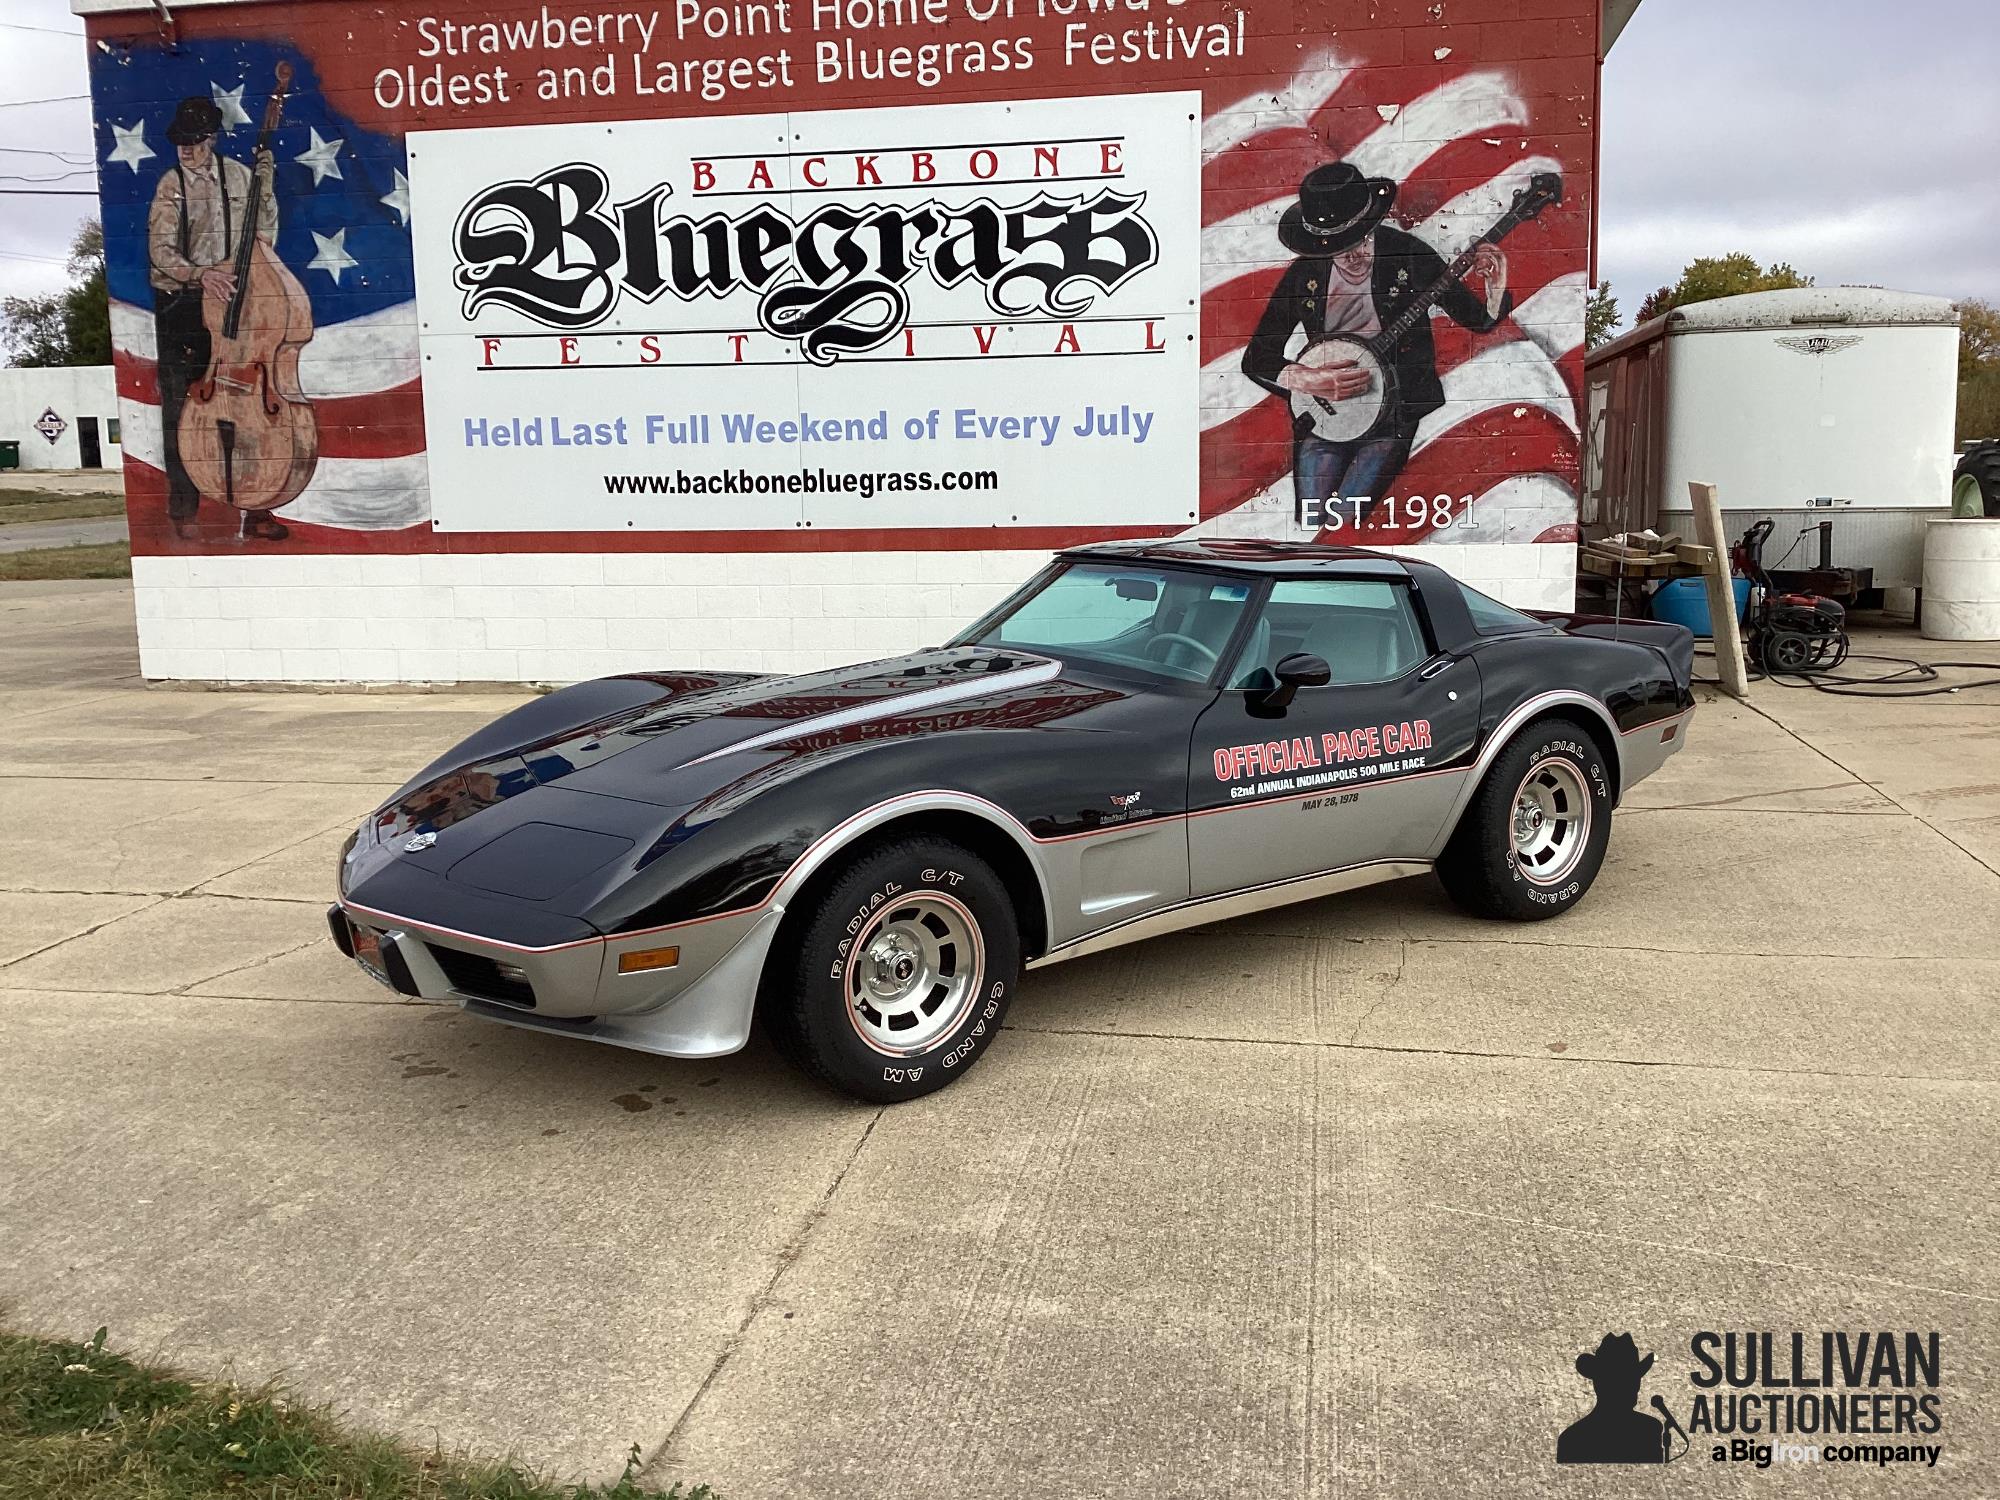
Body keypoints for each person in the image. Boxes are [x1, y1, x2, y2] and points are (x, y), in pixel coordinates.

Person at [1241, 161, 1512, 527]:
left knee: (1351, 520)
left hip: (1393, 413)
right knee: (1312, 521)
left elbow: (1477, 320)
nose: (1353, 255)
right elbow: (1257, 358)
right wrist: (1309, 380)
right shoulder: (1306, 273)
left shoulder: (1409, 256)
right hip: (1324, 416)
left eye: (1361, 240)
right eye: (1340, 247)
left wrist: (1495, 288)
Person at [147, 95, 285, 541]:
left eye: (194, 141)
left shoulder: (239, 177)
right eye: (180, 142)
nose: (186, 150)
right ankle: (184, 509)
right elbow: (161, 251)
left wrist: (267, 188)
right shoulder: (172, 185)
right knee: (181, 409)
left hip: (231, 299)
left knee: (245, 406)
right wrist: (202, 274)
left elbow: (264, 234)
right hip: (182, 303)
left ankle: (255, 505)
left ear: (212, 138)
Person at [1556, 1332, 1667, 1464]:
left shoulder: (1572, 1438)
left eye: (1634, 1380)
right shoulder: (1648, 1430)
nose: (1634, 1387)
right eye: (1626, 1381)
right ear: (1600, 1385)